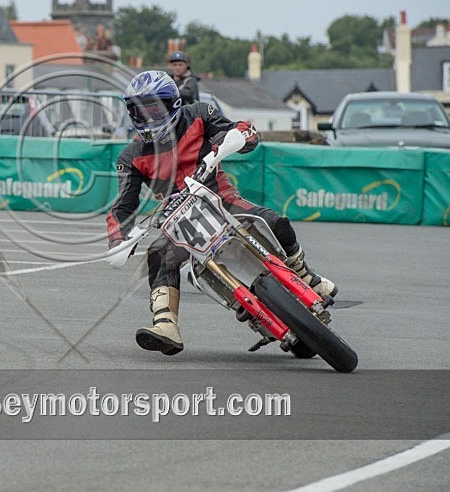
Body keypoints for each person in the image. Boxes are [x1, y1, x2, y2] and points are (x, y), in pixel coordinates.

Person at [107, 70, 337, 356]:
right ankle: (165, 324)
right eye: (140, 110)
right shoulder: (129, 157)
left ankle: (306, 275)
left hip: (220, 197)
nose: (149, 117)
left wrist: (239, 137)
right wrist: (119, 239)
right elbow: (123, 206)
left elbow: (237, 130)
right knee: (159, 252)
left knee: (273, 220)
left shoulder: (200, 113)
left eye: (154, 108)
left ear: (172, 104)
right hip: (179, 221)